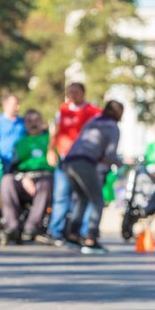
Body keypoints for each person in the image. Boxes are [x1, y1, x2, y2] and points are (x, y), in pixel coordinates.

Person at [61, 101, 123, 254]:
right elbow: (109, 154)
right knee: (98, 200)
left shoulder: (93, 121)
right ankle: (91, 238)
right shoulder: (113, 127)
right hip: (84, 162)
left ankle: (72, 236)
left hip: (68, 161)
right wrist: (120, 163)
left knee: (82, 198)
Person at [46, 82, 101, 245]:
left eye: (76, 92)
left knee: (83, 196)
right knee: (61, 196)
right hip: (64, 158)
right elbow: (56, 131)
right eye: (70, 92)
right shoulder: (63, 110)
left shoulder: (92, 112)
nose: (72, 95)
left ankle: (84, 232)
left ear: (83, 93)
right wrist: (51, 150)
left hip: (83, 159)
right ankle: (56, 231)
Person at [0, 110, 54, 244]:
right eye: (29, 121)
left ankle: (31, 227)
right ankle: (12, 226)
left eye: (36, 120)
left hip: (45, 177)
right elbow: (12, 167)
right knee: (6, 181)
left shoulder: (50, 140)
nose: (33, 124)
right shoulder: (21, 143)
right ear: (25, 124)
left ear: (42, 122)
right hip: (24, 177)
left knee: (45, 184)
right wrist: (22, 178)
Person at [0, 94, 26, 166]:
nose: (18, 107)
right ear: (6, 105)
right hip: (2, 162)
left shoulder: (22, 121)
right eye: (15, 104)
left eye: (18, 104)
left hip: (21, 163)